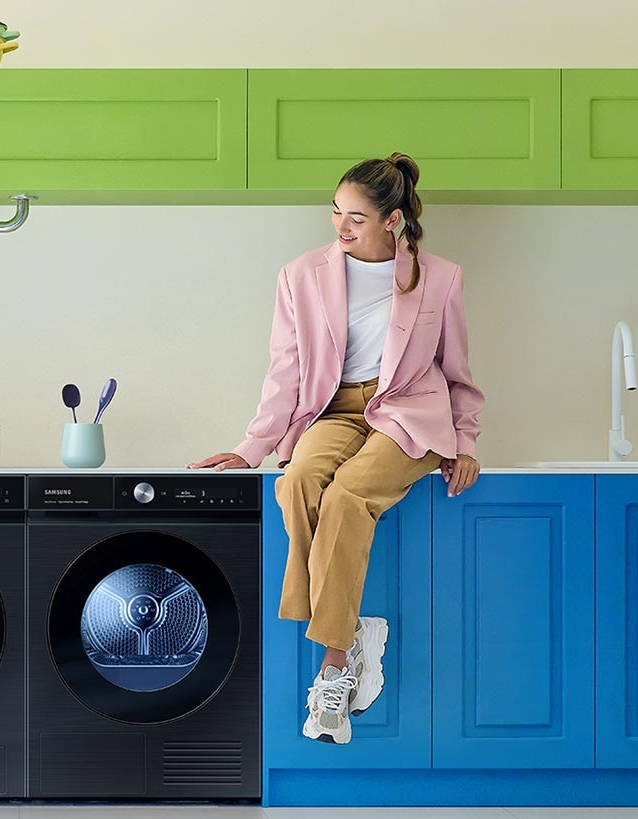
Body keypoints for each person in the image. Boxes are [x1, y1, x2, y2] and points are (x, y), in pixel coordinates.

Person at [189, 153, 485, 745]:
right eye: (335, 213)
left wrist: (466, 439)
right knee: (295, 481)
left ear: (392, 220)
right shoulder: (300, 275)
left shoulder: (440, 278)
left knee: (348, 495)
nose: (340, 227)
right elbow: (287, 369)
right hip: (334, 408)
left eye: (355, 217)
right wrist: (252, 448)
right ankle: (349, 633)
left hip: (407, 412)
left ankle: (332, 666)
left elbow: (456, 370)